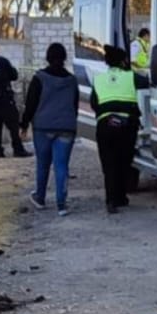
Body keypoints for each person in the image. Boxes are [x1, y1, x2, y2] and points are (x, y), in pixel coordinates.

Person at [20, 42, 78, 217]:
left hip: (43, 127)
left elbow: (30, 104)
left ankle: (40, 197)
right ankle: (62, 204)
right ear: (64, 58)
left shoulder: (40, 78)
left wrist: (23, 125)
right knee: (62, 166)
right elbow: (74, 105)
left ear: (47, 57)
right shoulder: (71, 80)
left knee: (43, 164)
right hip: (66, 127)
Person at [90, 46, 140, 214]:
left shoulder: (99, 79)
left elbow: (93, 103)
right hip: (126, 126)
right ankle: (121, 196)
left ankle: (111, 200)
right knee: (124, 161)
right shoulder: (131, 76)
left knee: (109, 163)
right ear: (123, 61)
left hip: (105, 125)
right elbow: (150, 83)